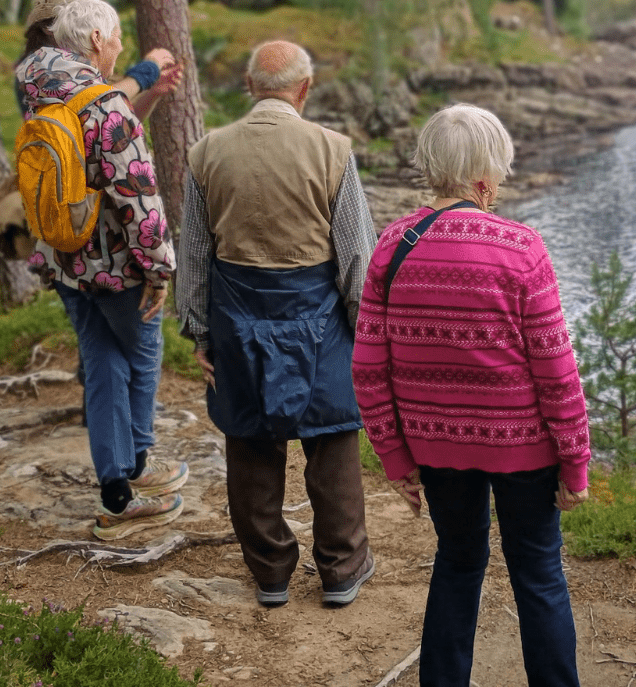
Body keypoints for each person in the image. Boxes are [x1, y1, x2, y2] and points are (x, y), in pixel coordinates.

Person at [352, 103, 591, 687]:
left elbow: (367, 368)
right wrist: (575, 461)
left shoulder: (392, 245)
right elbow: (556, 371)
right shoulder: (521, 247)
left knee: (457, 565)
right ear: (485, 175)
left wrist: (396, 457)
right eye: (502, 172)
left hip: (436, 449)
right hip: (524, 451)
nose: (504, 183)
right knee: (538, 574)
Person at [176, 41, 377, 608]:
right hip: (318, 319)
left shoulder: (206, 152)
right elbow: (357, 256)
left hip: (238, 320)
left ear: (249, 85)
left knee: (249, 442)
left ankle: (270, 573)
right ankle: (342, 568)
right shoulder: (332, 150)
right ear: (305, 88)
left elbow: (192, 253)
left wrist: (198, 331)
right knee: (333, 438)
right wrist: (364, 331)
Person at [16, 0, 187, 539]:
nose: (118, 49)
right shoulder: (107, 106)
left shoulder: (34, 85)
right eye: (115, 39)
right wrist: (161, 271)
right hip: (114, 268)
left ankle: (119, 491)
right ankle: (135, 468)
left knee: (102, 360)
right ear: (94, 41)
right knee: (142, 351)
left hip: (61, 259)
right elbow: (137, 199)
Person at [15, 0, 184, 122]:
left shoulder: (80, 63)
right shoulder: (38, 68)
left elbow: (117, 121)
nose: (79, 23)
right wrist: (147, 72)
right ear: (47, 28)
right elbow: (95, 104)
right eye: (70, 17)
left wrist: (153, 92)